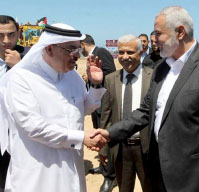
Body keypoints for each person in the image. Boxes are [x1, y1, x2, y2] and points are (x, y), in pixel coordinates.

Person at [91, 6, 199, 192]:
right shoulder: (162, 67)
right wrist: (110, 133)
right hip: (158, 175)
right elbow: (146, 111)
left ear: (180, 32)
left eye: (158, 33)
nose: (154, 40)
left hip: (193, 180)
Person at [0, 23, 107, 192]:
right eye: (70, 49)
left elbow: (82, 109)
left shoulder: (72, 76)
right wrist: (80, 137)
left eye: (78, 50)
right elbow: (32, 127)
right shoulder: (21, 78)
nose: (76, 55)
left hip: (71, 166)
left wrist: (95, 86)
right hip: (39, 171)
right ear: (49, 49)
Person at [99, 34, 152, 192]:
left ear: (141, 52)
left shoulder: (154, 76)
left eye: (130, 52)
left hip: (146, 149)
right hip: (120, 148)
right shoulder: (110, 79)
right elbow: (106, 115)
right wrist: (103, 148)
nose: (124, 57)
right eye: (121, 52)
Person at [81, 34, 116, 192]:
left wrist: (93, 79)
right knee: (98, 137)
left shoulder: (101, 52)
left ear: (83, 44)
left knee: (105, 138)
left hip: (104, 104)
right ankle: (103, 168)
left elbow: (111, 75)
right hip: (96, 105)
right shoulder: (93, 55)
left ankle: (111, 176)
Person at [0, 15, 29, 192]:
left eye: (11, 34)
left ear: (18, 33)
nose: (6, 41)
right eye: (0, 35)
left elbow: (41, 93)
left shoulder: (31, 59)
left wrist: (18, 68)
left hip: (21, 137)